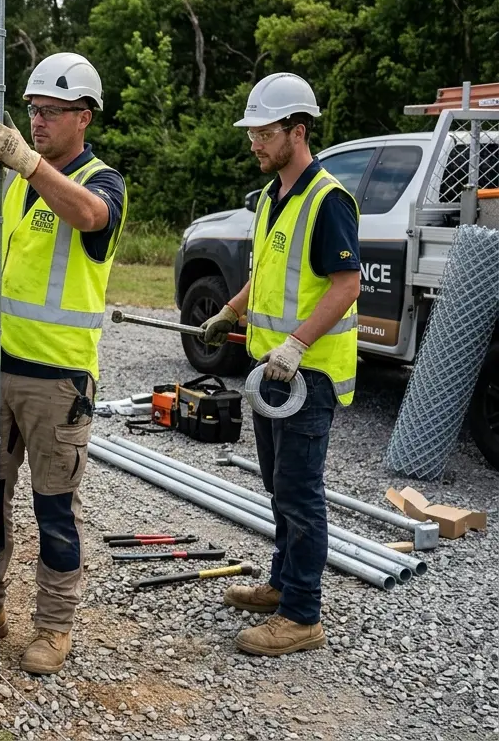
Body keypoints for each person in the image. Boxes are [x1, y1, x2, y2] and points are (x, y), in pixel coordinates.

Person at [0, 53, 128, 674]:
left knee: (53, 508)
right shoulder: (14, 180)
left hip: (56, 380)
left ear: (83, 118)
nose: (37, 121)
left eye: (51, 112)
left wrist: (26, 161)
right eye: (34, 110)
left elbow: (91, 217)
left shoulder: (103, 181)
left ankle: (54, 627)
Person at [200, 72, 360, 656]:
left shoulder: (328, 200)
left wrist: (295, 345)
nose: (254, 143)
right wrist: (229, 312)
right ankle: (282, 582)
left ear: (297, 130)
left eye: (264, 133)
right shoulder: (273, 197)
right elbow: (266, 276)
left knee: (299, 492)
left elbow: (345, 285)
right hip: (270, 375)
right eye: (252, 133)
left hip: (306, 377)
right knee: (277, 486)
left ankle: (302, 615)